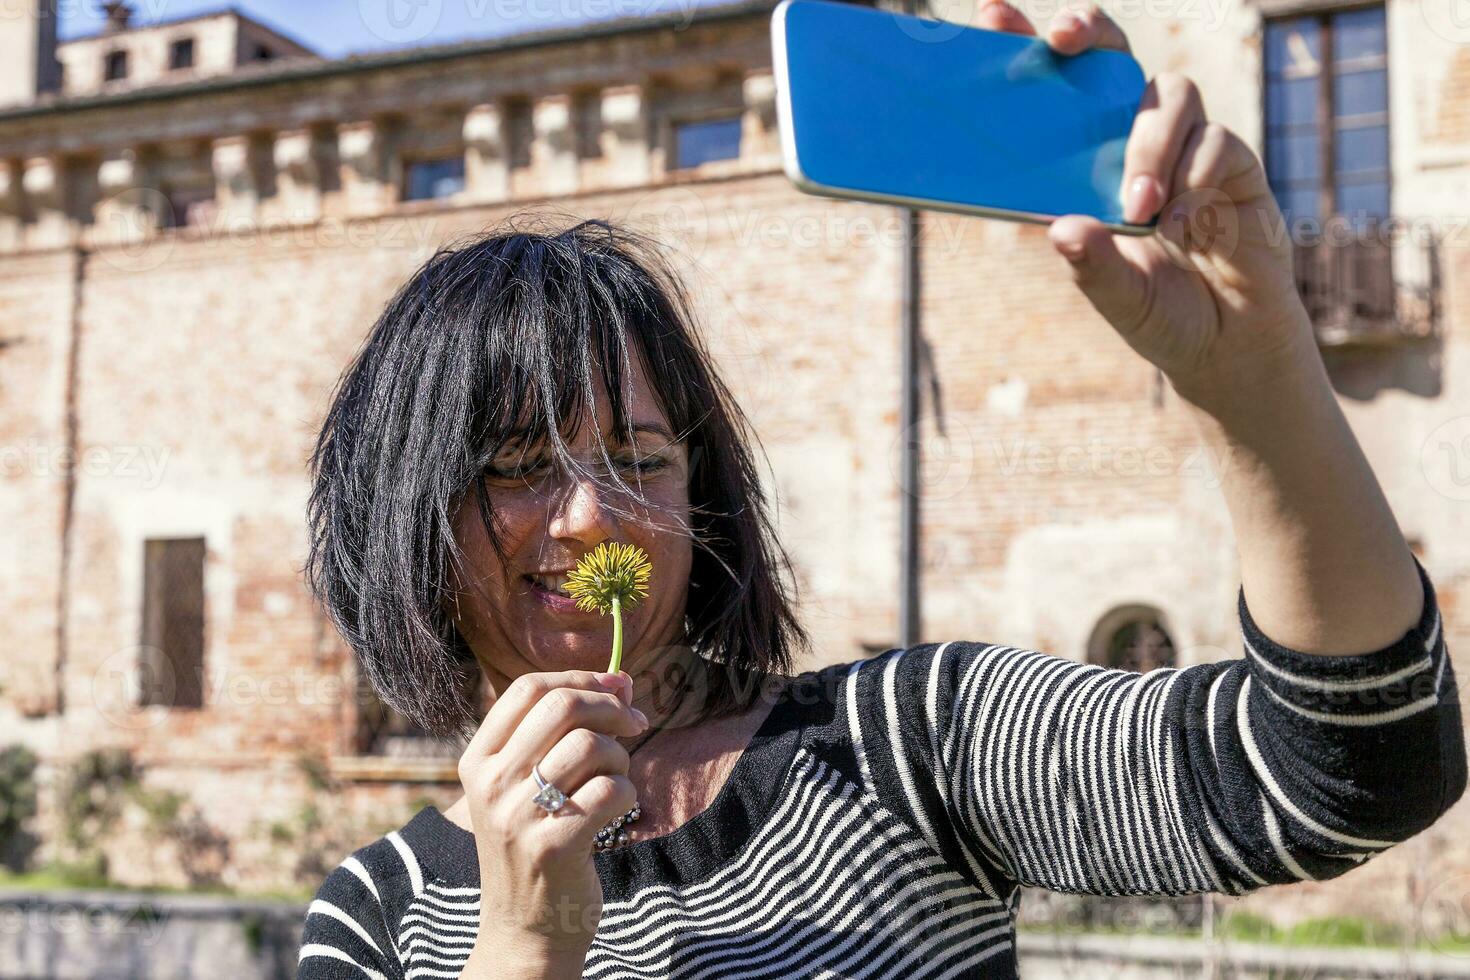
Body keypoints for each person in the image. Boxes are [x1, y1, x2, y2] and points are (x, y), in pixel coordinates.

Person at [294, 4, 1466, 978]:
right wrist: (527, 936)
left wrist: (1258, 384)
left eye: (641, 460)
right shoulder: (379, 914)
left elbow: (1349, 774)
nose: (596, 513)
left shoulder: (909, 745)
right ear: (401, 514)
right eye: (517, 466)